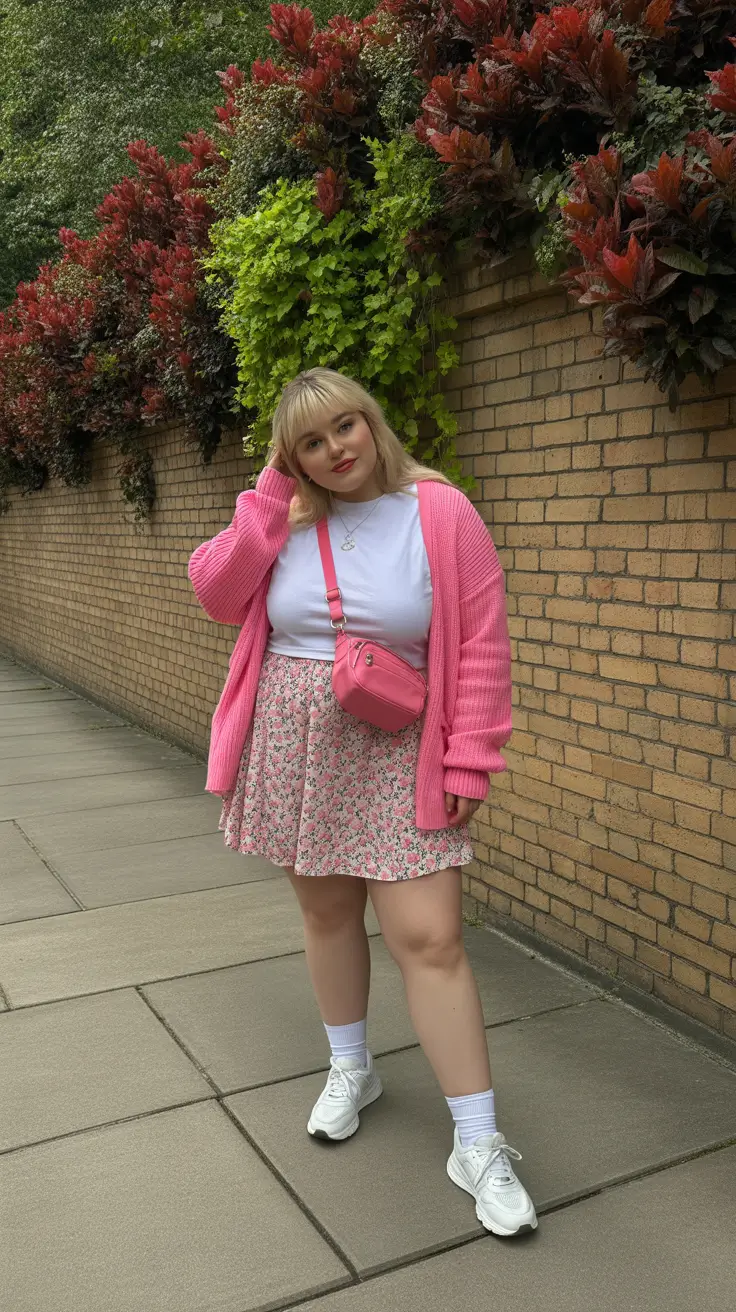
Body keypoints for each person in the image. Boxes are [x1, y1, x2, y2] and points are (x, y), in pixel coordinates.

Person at [188, 367, 537, 1237]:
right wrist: (269, 496)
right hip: (296, 748)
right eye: (310, 441)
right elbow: (215, 593)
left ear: (371, 422)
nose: (335, 450)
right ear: (291, 457)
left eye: (344, 426)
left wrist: (470, 761)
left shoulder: (441, 513)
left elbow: (484, 644)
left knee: (433, 939)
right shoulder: (283, 519)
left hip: (398, 750)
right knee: (330, 918)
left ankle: (479, 1142)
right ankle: (353, 1068)